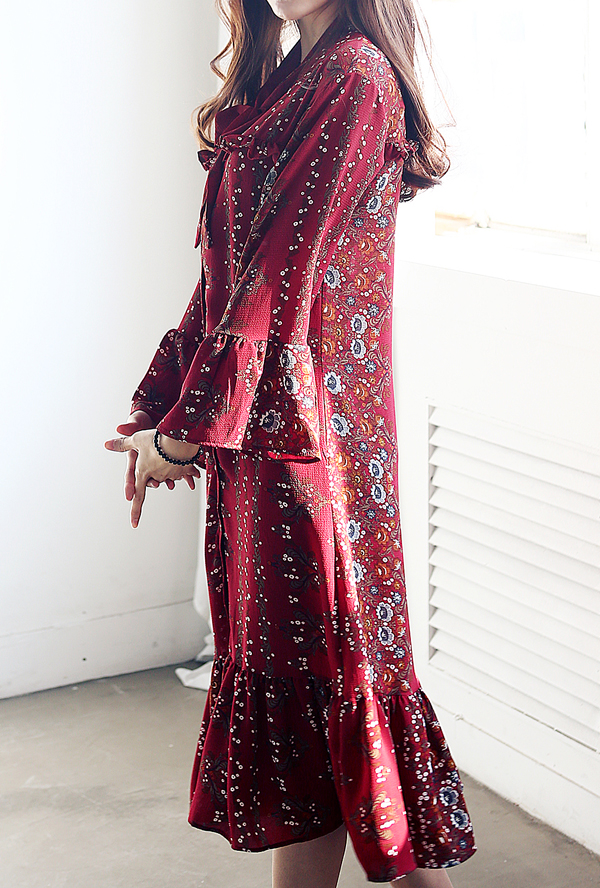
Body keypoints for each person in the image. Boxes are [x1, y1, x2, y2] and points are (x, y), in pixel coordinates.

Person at [105, 0, 477, 884]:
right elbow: (226, 276)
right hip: (267, 441)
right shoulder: (286, 79)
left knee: (331, 696)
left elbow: (278, 277)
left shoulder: (355, 76)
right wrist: (167, 413)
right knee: (323, 707)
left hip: (316, 452)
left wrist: (186, 435)